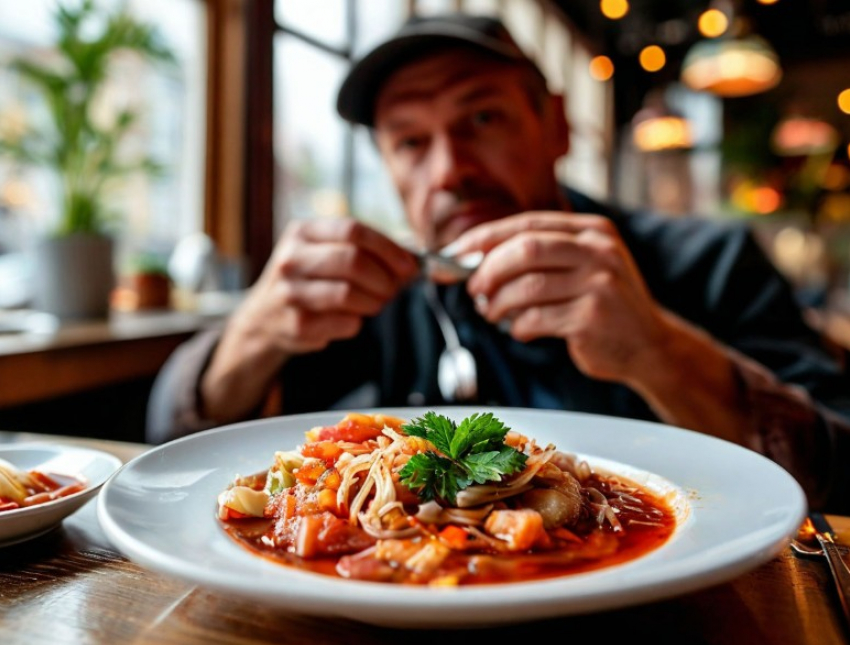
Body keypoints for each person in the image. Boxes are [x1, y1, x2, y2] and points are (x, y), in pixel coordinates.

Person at [147, 12, 850, 513]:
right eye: (411, 143)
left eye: (481, 119)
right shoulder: (376, 293)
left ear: (555, 123)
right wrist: (255, 332)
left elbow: (839, 468)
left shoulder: (709, 260)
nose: (450, 170)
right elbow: (171, 442)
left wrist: (658, 349)